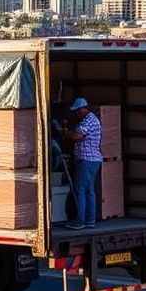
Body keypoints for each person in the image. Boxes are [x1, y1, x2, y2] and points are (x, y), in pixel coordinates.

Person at [63, 97, 102, 230]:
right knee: (89, 190)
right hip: (92, 160)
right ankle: (90, 220)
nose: (76, 114)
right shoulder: (89, 120)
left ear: (83, 109)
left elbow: (77, 136)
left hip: (87, 160)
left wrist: (65, 133)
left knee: (80, 190)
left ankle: (80, 221)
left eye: (77, 111)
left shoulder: (89, 120)